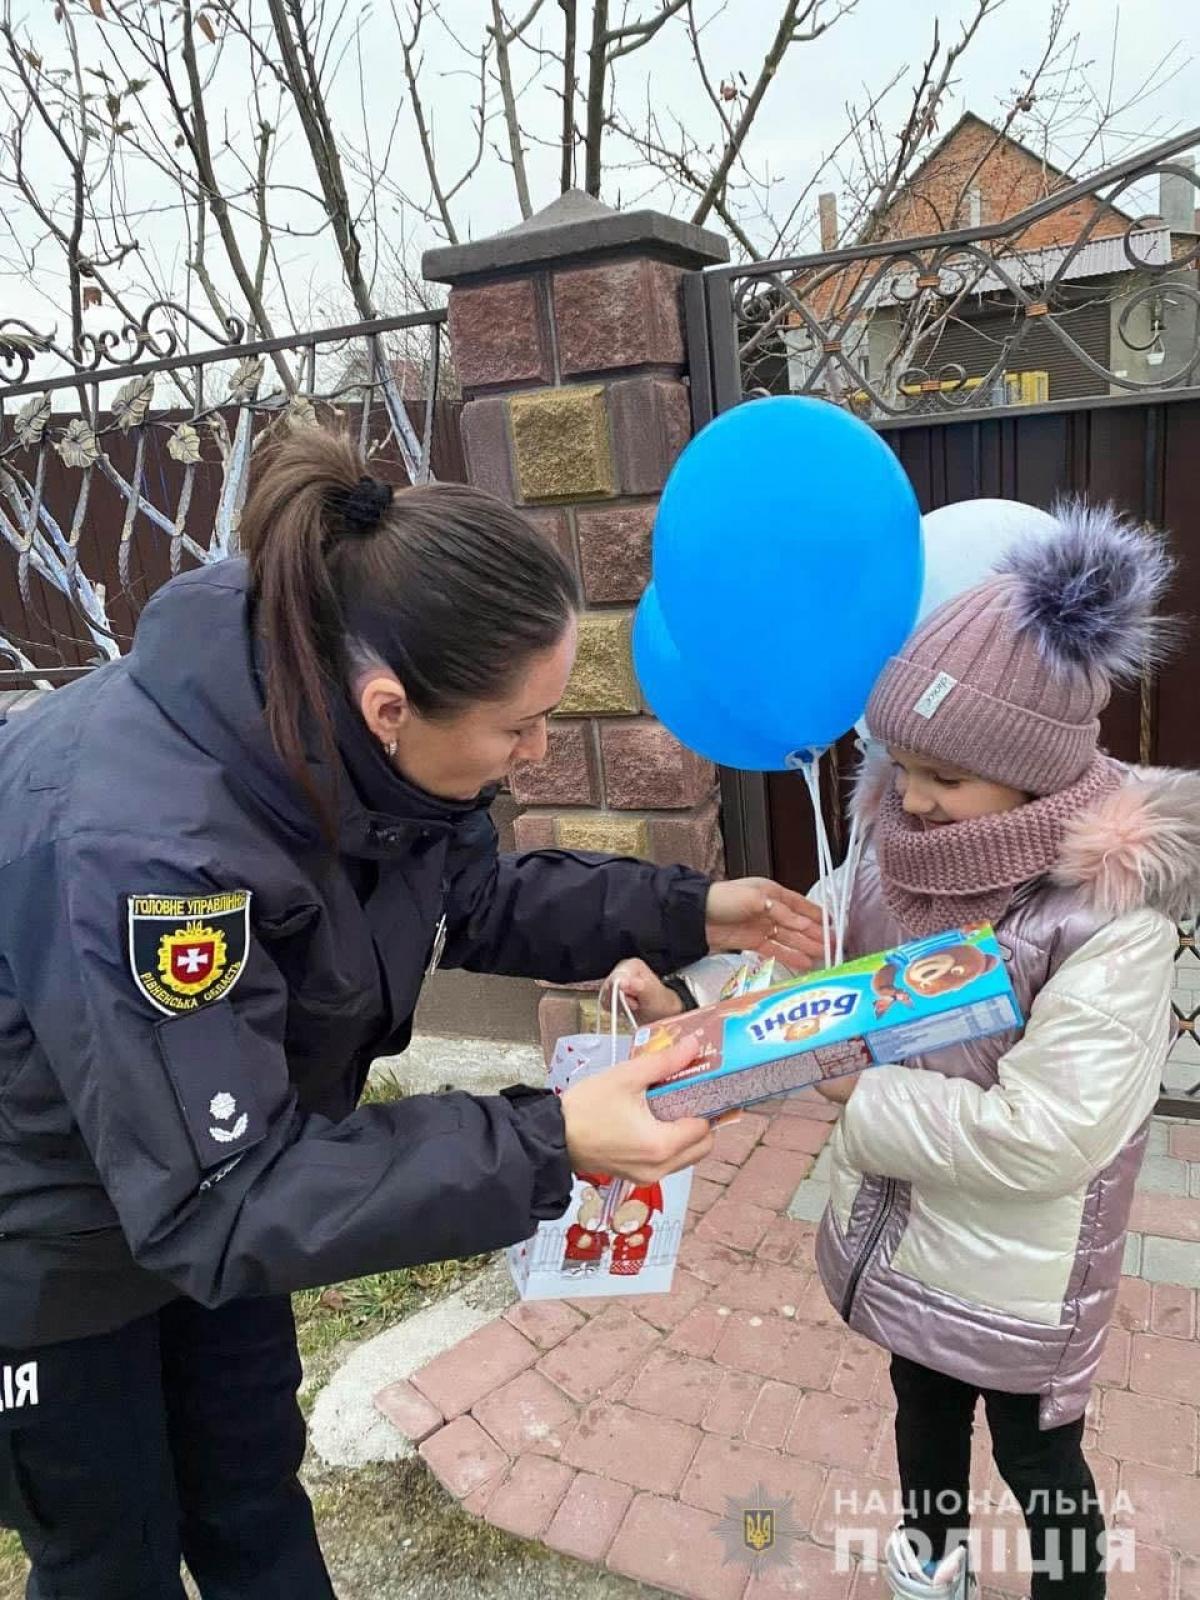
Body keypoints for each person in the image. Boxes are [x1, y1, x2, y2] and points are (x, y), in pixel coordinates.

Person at [0, 427, 825, 1599]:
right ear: (390, 705)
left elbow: (467, 897)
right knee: (109, 1549)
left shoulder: (355, 731)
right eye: (517, 729)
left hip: (203, 1171)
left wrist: (692, 907)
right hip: (46, 1230)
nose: (534, 756)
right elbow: (224, 1198)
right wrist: (554, 1136)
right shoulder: (153, 851)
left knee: (250, 1491)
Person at [604, 503, 1199, 1599]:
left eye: (943, 775)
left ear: (1032, 769)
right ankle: (934, 1557)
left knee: (1037, 1455)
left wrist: (858, 1095)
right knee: (917, 1402)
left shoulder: (1108, 921)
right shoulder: (901, 845)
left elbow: (1053, 1133)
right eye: (900, 761)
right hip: (905, 1232)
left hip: (1017, 1271)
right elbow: (810, 960)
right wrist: (690, 1011)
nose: (910, 795)